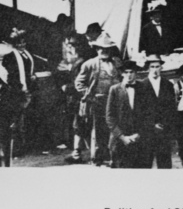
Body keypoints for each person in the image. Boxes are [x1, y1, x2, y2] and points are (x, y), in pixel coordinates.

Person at [74, 32, 122, 166]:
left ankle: (114, 156)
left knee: (114, 128)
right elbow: (79, 84)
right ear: (96, 49)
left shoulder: (117, 63)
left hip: (115, 101)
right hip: (98, 102)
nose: (104, 51)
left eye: (107, 49)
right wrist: (89, 96)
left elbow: (122, 79)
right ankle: (99, 158)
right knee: (99, 131)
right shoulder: (90, 64)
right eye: (101, 48)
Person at [135, 54, 177, 169]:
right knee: (146, 161)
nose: (155, 69)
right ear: (148, 68)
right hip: (147, 130)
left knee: (164, 162)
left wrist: (167, 126)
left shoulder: (168, 85)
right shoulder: (141, 85)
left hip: (164, 130)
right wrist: (151, 124)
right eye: (152, 66)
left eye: (157, 66)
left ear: (161, 68)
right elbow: (139, 109)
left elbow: (172, 108)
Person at [0, 27, 37, 154]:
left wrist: (33, 77)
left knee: (28, 119)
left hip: (28, 89)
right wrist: (18, 88)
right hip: (17, 92)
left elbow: (30, 70)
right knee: (17, 120)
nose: (22, 45)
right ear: (15, 44)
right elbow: (9, 75)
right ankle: (17, 149)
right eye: (19, 43)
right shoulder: (9, 57)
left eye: (23, 42)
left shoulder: (28, 55)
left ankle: (28, 145)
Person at [59, 34, 91, 165]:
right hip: (77, 99)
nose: (69, 48)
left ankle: (91, 154)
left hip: (81, 99)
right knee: (78, 126)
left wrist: (67, 87)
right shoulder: (76, 61)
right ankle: (78, 153)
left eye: (71, 45)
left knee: (80, 126)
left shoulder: (82, 62)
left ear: (79, 46)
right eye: (68, 45)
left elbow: (82, 83)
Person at [105, 60, 142, 169]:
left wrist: (139, 134)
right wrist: (122, 137)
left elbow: (147, 115)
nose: (129, 75)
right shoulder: (114, 89)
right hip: (119, 140)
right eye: (126, 72)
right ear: (122, 73)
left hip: (138, 139)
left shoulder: (143, 88)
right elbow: (109, 117)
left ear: (136, 73)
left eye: (132, 72)